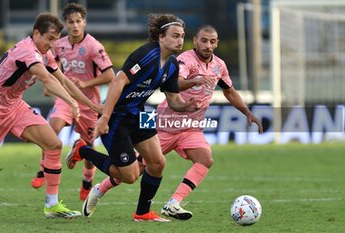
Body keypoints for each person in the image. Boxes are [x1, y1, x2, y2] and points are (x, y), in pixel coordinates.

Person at [80, 24, 264, 220]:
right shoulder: (183, 60)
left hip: (191, 127)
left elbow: (229, 90)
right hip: (165, 123)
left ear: (217, 43)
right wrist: (196, 80)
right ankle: (99, 189)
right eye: (203, 40)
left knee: (204, 159)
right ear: (195, 41)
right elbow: (175, 84)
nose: (208, 45)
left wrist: (247, 112)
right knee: (136, 170)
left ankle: (172, 203)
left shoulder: (219, 65)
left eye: (212, 42)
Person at [65, 13, 199, 222]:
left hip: (140, 113)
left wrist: (187, 106)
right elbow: (118, 81)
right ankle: (83, 150)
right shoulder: (146, 54)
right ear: (161, 37)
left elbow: (173, 99)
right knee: (129, 176)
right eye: (175, 35)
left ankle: (142, 213)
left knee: (157, 163)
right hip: (117, 117)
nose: (180, 40)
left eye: (182, 36)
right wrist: (104, 117)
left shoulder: (172, 64)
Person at [0, 13, 100, 218]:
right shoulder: (28, 51)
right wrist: (70, 102)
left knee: (53, 144)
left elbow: (64, 80)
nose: (52, 45)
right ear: (36, 33)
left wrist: (89, 104)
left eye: (55, 39)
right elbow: (47, 79)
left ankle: (51, 205)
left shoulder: (44, 53)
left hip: (14, 107)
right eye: (50, 39)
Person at [30, 3, 114, 202]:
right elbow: (54, 60)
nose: (75, 25)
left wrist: (86, 82)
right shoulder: (59, 43)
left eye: (78, 21)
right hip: (65, 97)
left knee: (89, 144)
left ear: (84, 22)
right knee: (52, 128)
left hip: (89, 101)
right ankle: (43, 170)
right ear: (66, 24)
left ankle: (87, 180)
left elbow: (110, 75)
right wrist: (49, 80)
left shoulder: (94, 46)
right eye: (71, 22)